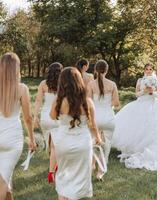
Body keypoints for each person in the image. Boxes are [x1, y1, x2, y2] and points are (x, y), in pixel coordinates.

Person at [49, 67, 102, 200]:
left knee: (63, 174)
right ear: (79, 81)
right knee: (80, 176)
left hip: (63, 143)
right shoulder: (88, 102)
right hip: (82, 144)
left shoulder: (58, 101)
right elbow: (93, 125)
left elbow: (52, 116)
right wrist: (98, 138)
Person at [0, 52, 37, 199]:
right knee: (3, 181)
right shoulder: (22, 88)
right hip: (12, 139)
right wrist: (32, 139)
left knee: (6, 179)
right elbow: (27, 118)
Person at [87, 60, 120, 180]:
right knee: (106, 145)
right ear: (106, 70)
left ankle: (91, 165)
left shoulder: (91, 84)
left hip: (95, 118)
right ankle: (100, 172)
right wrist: (106, 104)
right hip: (108, 119)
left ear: (95, 70)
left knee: (92, 143)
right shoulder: (112, 84)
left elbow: (88, 103)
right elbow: (116, 103)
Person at [33, 62, 63, 183]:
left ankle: (53, 166)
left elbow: (38, 101)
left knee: (50, 144)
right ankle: (52, 171)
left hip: (46, 118)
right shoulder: (63, 84)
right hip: (58, 118)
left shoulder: (43, 84)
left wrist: (35, 116)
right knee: (55, 145)